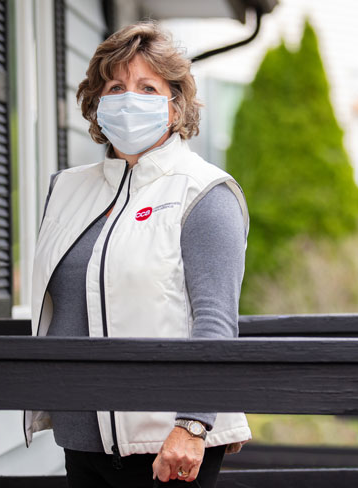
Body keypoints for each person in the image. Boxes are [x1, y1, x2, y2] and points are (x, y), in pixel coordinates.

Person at [26, 21, 251, 487]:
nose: (130, 99)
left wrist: (192, 425)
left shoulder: (204, 192)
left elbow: (215, 320)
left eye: (147, 87)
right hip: (81, 441)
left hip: (169, 445)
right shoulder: (66, 191)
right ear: (98, 103)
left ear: (174, 105)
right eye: (116, 86)